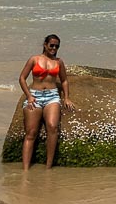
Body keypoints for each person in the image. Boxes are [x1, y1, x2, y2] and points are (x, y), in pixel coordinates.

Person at [18, 34, 74, 169]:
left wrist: (66, 97)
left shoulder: (59, 62)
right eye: (52, 45)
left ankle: (48, 167)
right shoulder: (34, 59)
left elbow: (64, 80)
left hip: (52, 96)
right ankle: (25, 170)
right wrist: (29, 96)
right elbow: (22, 78)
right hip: (35, 96)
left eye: (57, 46)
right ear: (45, 44)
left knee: (52, 127)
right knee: (31, 133)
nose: (54, 48)